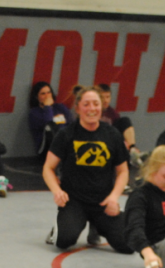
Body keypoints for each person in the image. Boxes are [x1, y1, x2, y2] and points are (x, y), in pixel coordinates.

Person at [43, 86, 131, 252]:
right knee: (64, 241)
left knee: (128, 245)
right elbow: (48, 168)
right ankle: (60, 226)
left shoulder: (112, 134)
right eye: (86, 104)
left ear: (102, 106)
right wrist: (57, 191)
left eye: (95, 104)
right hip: (74, 201)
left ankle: (97, 225)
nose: (92, 109)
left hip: (102, 201)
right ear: (78, 108)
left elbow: (123, 171)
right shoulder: (66, 134)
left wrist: (114, 197)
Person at [97, 84, 143, 168]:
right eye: (102, 97)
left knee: (125, 120)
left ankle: (133, 150)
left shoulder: (113, 113)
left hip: (112, 140)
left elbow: (117, 131)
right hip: (97, 140)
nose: (105, 100)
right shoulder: (92, 111)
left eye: (107, 97)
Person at [27, 81, 71, 158]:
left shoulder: (60, 107)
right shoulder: (34, 113)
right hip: (47, 150)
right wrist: (47, 107)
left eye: (49, 92)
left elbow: (71, 124)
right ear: (36, 97)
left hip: (65, 144)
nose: (47, 96)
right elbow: (49, 124)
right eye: (43, 94)